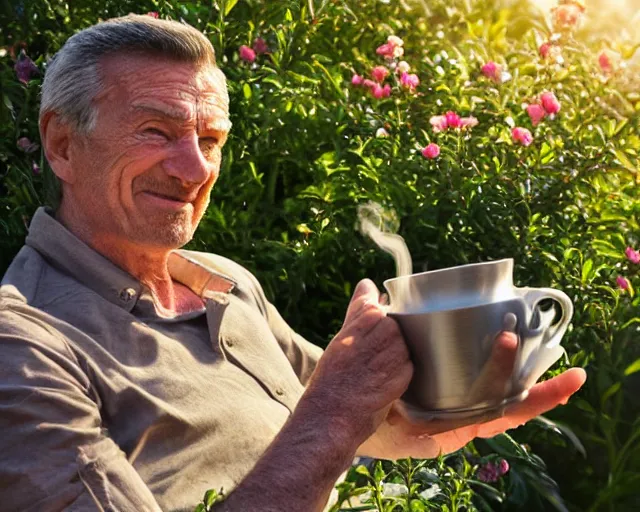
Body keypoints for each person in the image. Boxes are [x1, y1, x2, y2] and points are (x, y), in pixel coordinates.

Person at [0, 15, 586, 512]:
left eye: (210, 140)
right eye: (157, 131)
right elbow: (328, 420)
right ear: (62, 145)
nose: (197, 169)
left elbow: (361, 420)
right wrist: (336, 411)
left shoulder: (224, 282)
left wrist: (451, 409)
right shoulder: (22, 343)